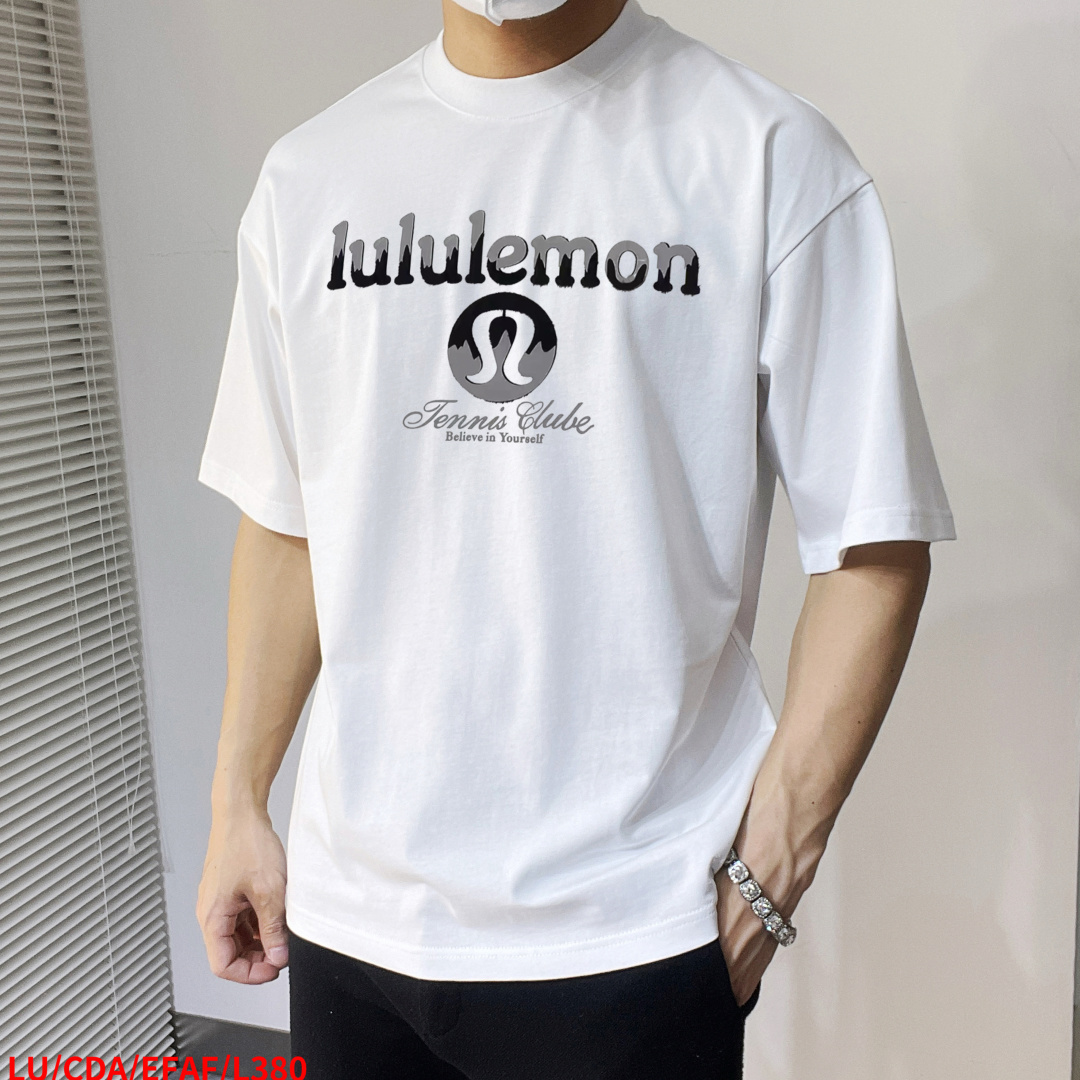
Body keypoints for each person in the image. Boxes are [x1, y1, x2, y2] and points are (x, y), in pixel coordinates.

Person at [195, 0, 955, 1075]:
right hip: (350, 922)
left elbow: (873, 543)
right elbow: (289, 522)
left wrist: (771, 871)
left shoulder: (770, 158)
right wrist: (238, 800)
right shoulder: (311, 177)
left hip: (631, 931)